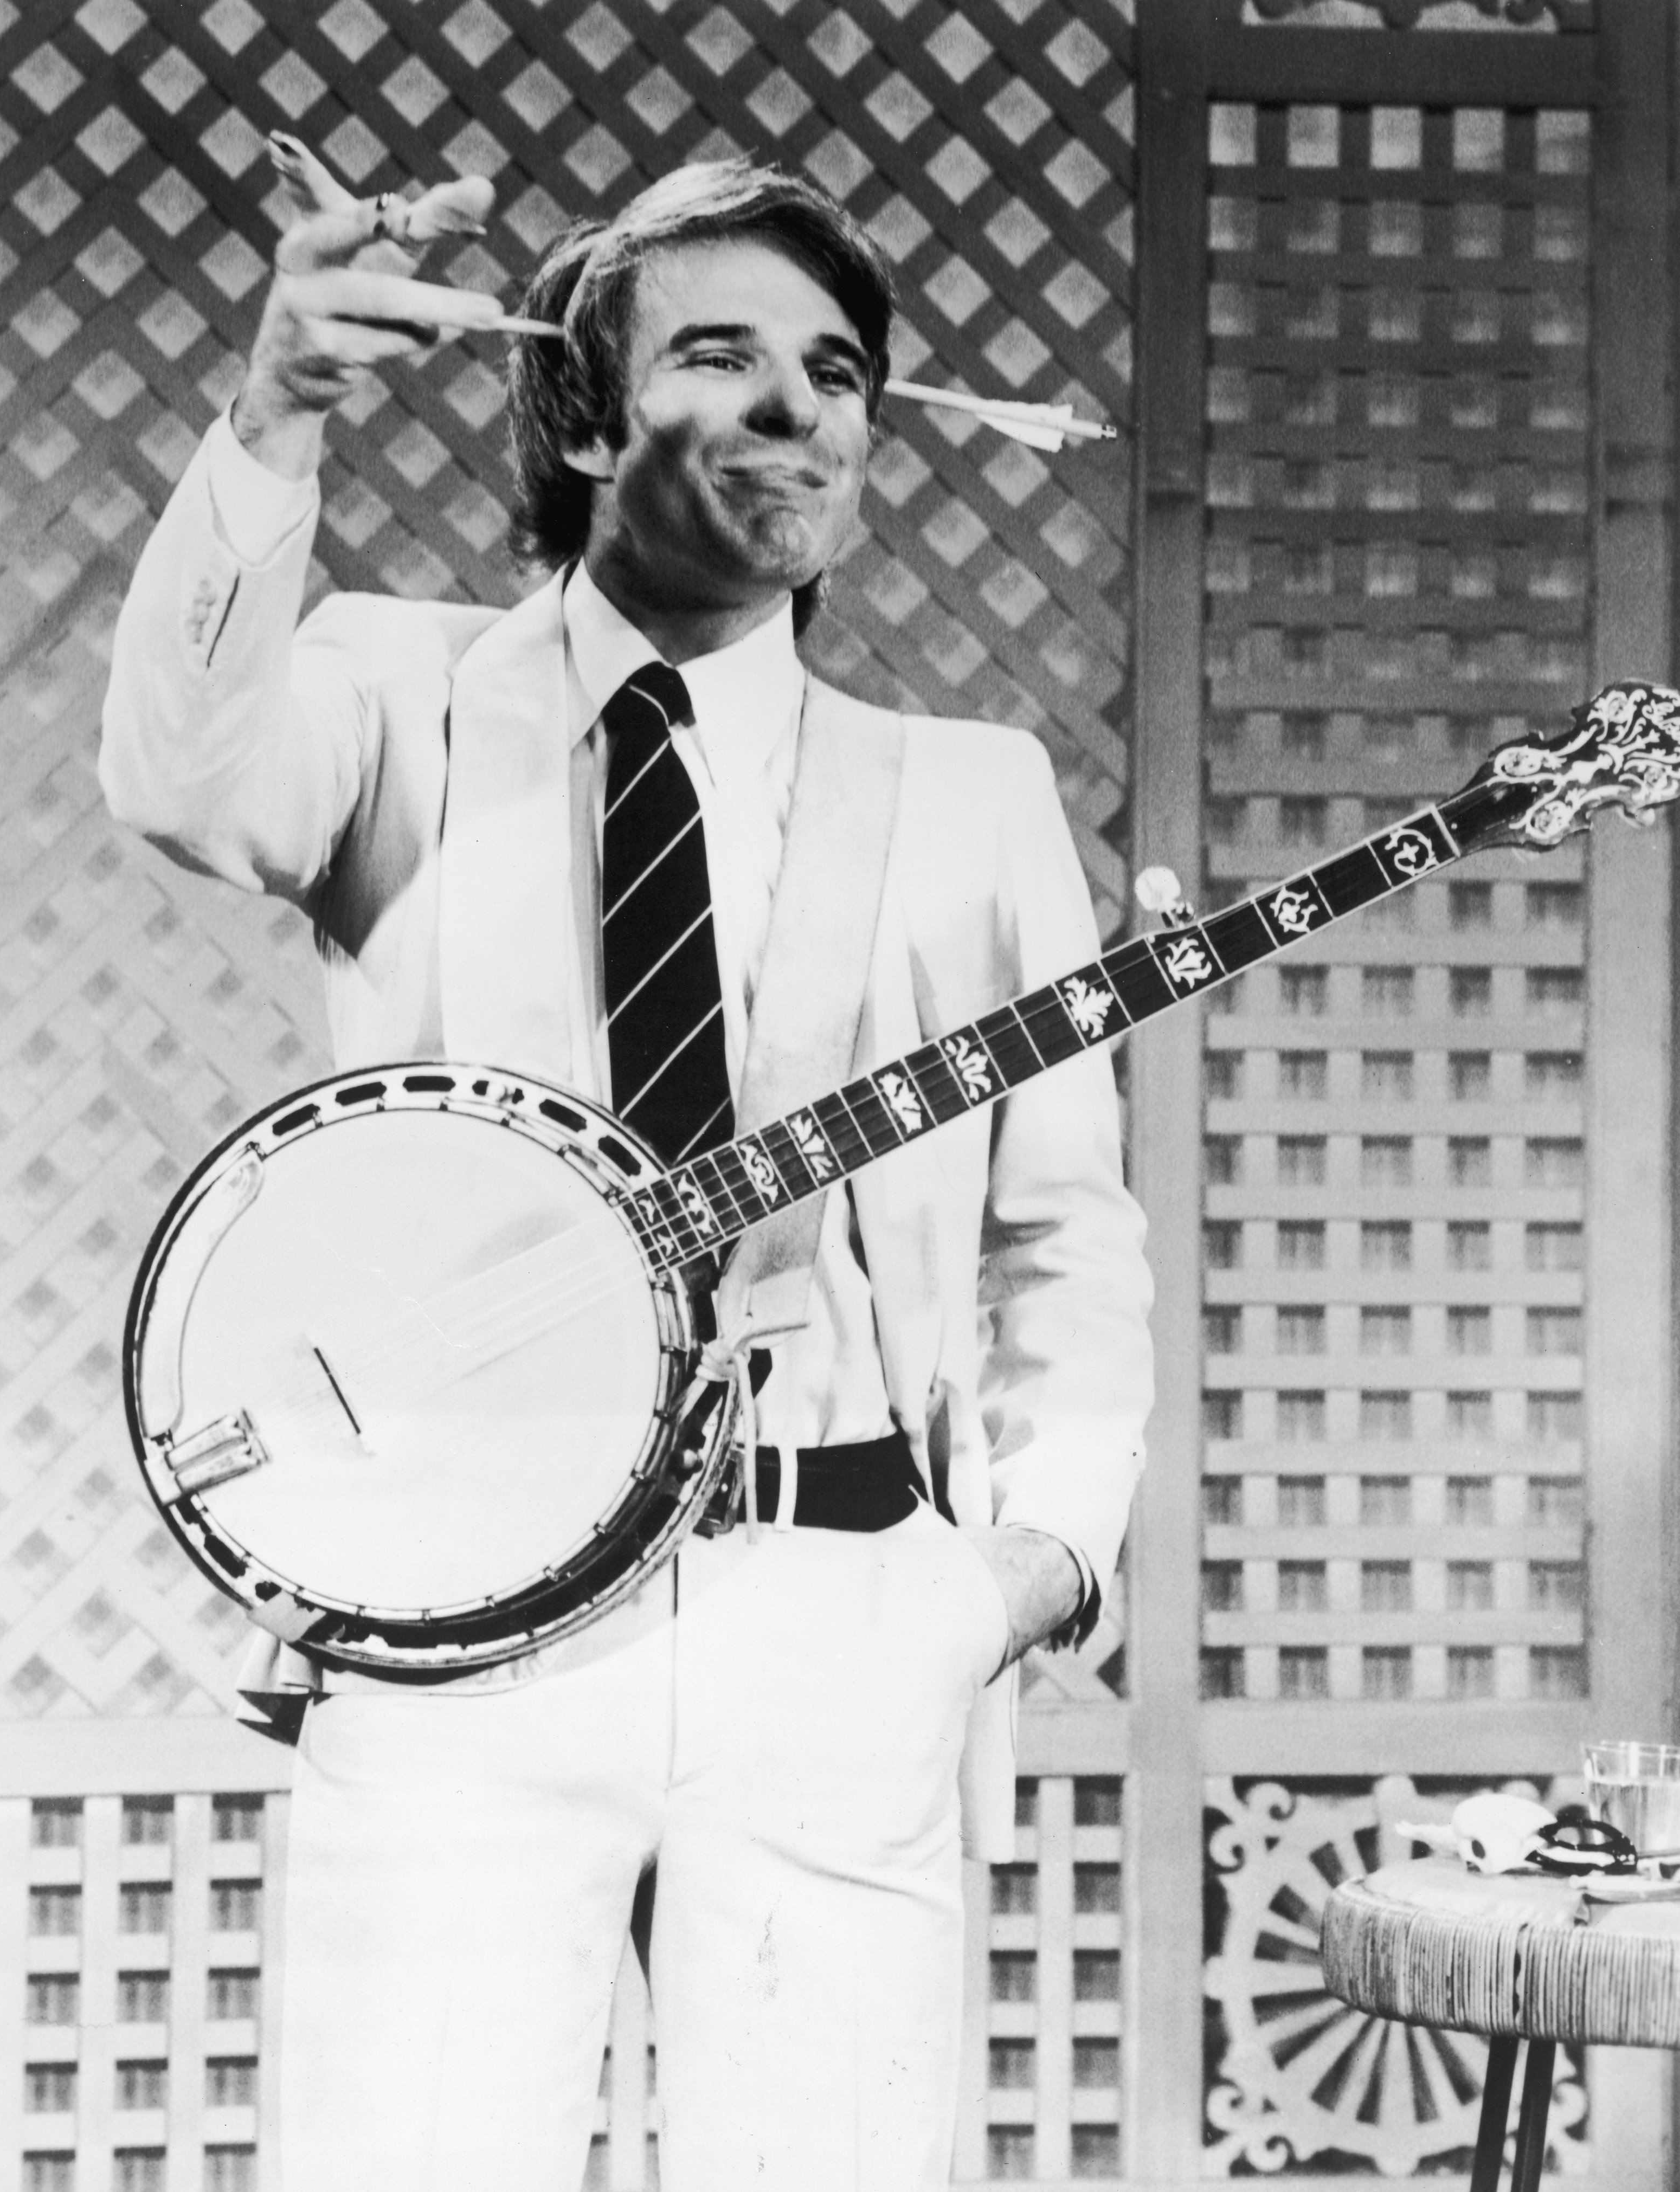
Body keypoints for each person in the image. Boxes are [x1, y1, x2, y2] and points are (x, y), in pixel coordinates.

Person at [101, 147, 1153, 2192]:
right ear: (581, 416)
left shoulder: (974, 796)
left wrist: (1013, 1578)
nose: (803, 409)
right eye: (724, 357)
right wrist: (274, 415)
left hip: (847, 1611)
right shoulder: (395, 694)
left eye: (838, 368)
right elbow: (179, 773)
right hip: (468, 1633)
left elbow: (1066, 1246)